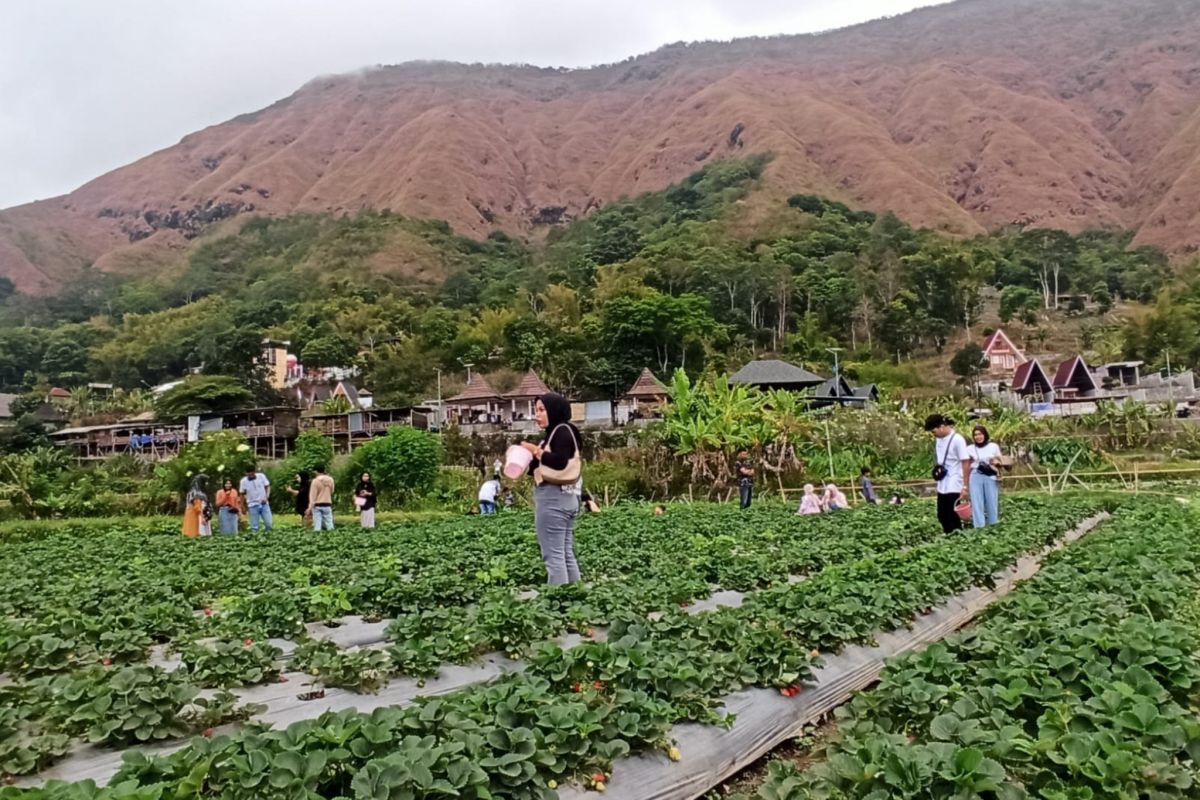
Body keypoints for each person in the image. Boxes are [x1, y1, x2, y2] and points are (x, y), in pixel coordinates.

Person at [520, 393, 583, 585]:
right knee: (564, 553)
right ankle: (576, 598)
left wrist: (535, 451)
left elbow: (559, 462)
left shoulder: (561, 431)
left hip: (553, 499)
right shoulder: (568, 430)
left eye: (541, 410)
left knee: (553, 556)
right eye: (536, 410)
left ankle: (558, 607)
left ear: (553, 411)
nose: (536, 415)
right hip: (568, 498)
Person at [924, 414, 971, 534]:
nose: (933, 435)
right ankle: (948, 536)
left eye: (934, 431)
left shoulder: (957, 439)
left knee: (952, 515)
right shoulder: (938, 440)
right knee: (942, 514)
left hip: (955, 481)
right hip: (943, 481)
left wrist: (965, 486)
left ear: (941, 427)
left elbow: (965, 462)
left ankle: (957, 537)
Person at [966, 425, 1002, 528]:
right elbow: (966, 464)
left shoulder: (993, 446)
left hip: (990, 475)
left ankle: (993, 525)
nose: (978, 437)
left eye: (980, 434)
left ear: (985, 435)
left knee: (992, 500)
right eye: (975, 435)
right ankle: (979, 527)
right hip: (975, 475)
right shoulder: (969, 448)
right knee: (976, 501)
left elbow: (999, 460)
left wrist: (995, 462)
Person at [239, 466, 273, 533]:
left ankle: (269, 538)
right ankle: (255, 540)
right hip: (252, 505)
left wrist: (266, 496)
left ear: (254, 472)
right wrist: (242, 506)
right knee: (254, 527)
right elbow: (241, 494)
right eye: (248, 474)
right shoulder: (243, 481)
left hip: (264, 504)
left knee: (269, 524)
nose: (250, 476)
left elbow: (268, 486)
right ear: (246, 473)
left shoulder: (261, 476)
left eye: (252, 474)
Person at [308, 465, 336, 531]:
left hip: (317, 505)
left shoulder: (315, 481)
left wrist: (310, 507)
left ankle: (318, 538)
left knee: (317, 525)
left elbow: (312, 496)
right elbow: (332, 491)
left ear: (316, 471)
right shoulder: (331, 480)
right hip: (327, 504)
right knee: (329, 523)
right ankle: (333, 537)